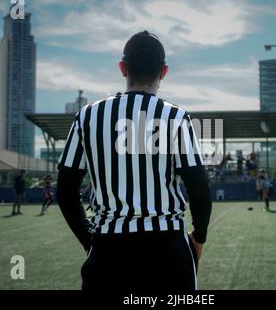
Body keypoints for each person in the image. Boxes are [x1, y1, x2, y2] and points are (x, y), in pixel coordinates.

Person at [57, 31, 212, 291]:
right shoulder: (176, 117)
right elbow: (199, 188)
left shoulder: (87, 116)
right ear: (164, 71)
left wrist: (90, 240)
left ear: (122, 68)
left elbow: (65, 191)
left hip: (108, 252)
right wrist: (199, 238)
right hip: (168, 250)